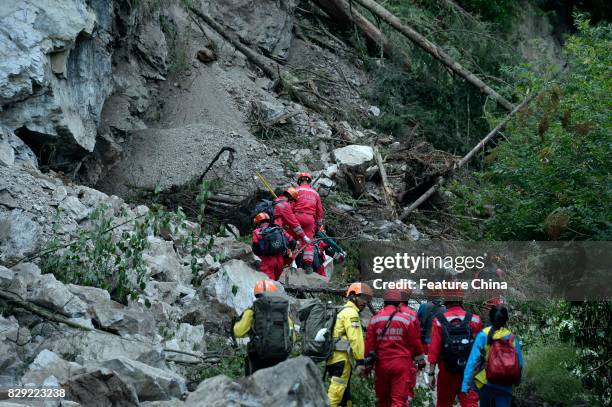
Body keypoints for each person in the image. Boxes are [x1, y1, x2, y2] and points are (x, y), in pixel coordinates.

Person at [364, 288, 425, 407]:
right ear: (399, 303)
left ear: (384, 302)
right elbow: (415, 344)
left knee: (383, 399)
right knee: (398, 400)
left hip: (382, 365)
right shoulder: (406, 320)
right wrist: (420, 362)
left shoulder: (375, 319)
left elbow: (369, 347)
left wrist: (367, 368)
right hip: (401, 364)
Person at [428, 288, 483, 407]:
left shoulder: (438, 320)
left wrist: (431, 374)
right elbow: (480, 349)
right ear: (461, 299)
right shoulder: (475, 319)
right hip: (469, 372)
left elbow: (434, 350)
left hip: (447, 371)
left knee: (443, 403)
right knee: (470, 403)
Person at [462, 305, 523, 407]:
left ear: (490, 318)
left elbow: (473, 361)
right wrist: (517, 382)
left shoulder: (483, 335)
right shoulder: (512, 338)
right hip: (506, 383)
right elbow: (520, 364)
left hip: (486, 382)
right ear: (506, 320)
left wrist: (465, 385)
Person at [233, 280, 295, 375]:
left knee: (255, 385)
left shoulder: (251, 312)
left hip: (258, 356)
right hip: (280, 356)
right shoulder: (283, 313)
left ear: (256, 295)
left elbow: (238, 332)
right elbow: (293, 337)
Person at [326, 282, 373, 407]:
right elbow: (355, 339)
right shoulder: (351, 313)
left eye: (367, 299)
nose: (365, 301)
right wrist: (360, 361)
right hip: (341, 359)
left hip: (334, 358)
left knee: (345, 396)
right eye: (362, 297)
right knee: (336, 394)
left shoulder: (343, 310)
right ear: (353, 296)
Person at [398, 287, 425, 403]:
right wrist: (420, 361)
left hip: (386, 360)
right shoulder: (412, 315)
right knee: (406, 394)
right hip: (407, 360)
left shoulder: (383, 314)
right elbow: (416, 340)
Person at [293, 172, 323, 272]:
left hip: (297, 217)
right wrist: (318, 225)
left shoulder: (296, 190)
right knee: (308, 242)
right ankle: (308, 266)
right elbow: (319, 211)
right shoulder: (315, 193)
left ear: (299, 181)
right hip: (310, 219)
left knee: (293, 240)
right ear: (309, 181)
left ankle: (292, 263)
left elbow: (291, 206)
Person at [251, 212, 295, 280]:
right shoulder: (279, 229)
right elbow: (292, 242)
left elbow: (256, 249)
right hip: (280, 259)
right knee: (276, 279)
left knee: (269, 282)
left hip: (267, 260)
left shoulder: (257, 232)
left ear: (258, 223)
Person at [417, 288, 446, 354]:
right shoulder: (445, 309)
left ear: (428, 295)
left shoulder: (423, 306)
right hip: (439, 344)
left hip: (424, 343)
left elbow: (416, 323)